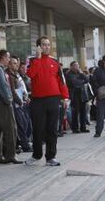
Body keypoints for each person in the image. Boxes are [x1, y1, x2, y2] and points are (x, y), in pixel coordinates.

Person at [25, 36, 69, 166]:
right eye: (44, 45)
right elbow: (31, 75)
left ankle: (51, 157)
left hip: (53, 99)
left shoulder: (54, 61)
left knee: (52, 129)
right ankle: (36, 155)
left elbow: (62, 81)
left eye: (48, 45)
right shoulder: (32, 60)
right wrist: (38, 59)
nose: (47, 47)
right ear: (38, 47)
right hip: (38, 100)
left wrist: (65, 97)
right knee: (38, 129)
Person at [7, 56, 33, 152]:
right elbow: (12, 91)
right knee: (21, 124)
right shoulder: (9, 75)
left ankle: (22, 143)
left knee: (25, 123)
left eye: (16, 63)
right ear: (9, 65)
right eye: (14, 63)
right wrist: (19, 100)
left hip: (22, 101)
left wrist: (26, 97)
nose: (16, 65)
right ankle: (24, 145)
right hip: (16, 103)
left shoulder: (16, 74)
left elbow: (22, 88)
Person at [65, 61, 90, 133]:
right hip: (74, 95)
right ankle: (75, 128)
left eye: (78, 65)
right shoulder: (68, 74)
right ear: (71, 66)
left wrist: (82, 73)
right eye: (75, 65)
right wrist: (81, 82)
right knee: (75, 112)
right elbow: (73, 83)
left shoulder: (80, 73)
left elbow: (87, 80)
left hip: (82, 94)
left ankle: (83, 127)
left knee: (83, 111)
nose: (77, 67)